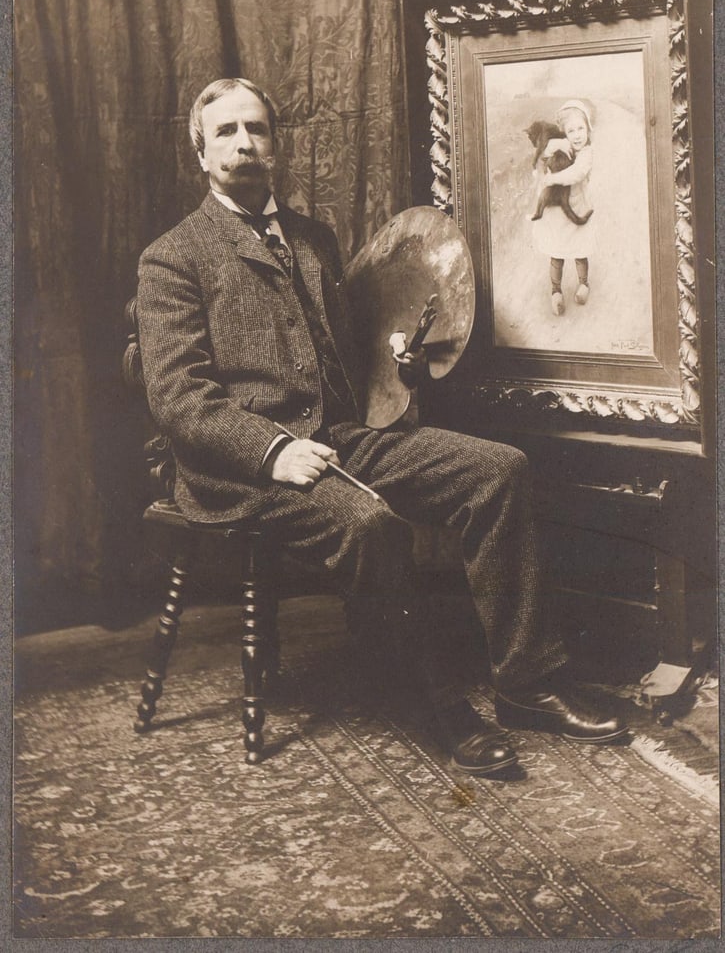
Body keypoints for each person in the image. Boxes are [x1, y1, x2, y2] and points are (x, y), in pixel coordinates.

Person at [136, 77, 626, 778]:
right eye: (226, 133)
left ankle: (525, 684)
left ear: (276, 142)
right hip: (242, 465)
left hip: (340, 435)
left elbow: (347, 349)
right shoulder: (173, 258)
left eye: (257, 129)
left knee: (499, 470)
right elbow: (180, 400)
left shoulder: (313, 239)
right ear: (200, 150)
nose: (244, 143)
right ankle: (436, 706)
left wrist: (398, 357)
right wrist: (272, 450)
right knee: (370, 526)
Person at [531, 100, 596, 316]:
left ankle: (583, 285)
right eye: (571, 130)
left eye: (581, 129)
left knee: (580, 250)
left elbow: (576, 173)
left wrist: (552, 180)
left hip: (578, 209)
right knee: (557, 252)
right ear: (564, 132)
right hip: (557, 213)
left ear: (588, 129)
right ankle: (556, 292)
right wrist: (556, 145)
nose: (577, 135)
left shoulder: (586, 154)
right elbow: (541, 157)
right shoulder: (560, 144)